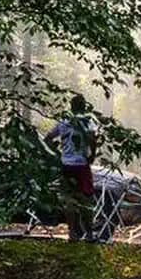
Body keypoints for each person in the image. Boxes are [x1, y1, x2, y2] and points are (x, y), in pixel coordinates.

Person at [44, 95, 99, 242]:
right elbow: (93, 139)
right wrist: (92, 155)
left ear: (71, 106)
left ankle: (72, 233)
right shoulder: (88, 120)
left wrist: (57, 153)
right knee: (86, 199)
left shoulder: (63, 121)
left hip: (66, 165)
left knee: (68, 199)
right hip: (81, 165)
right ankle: (89, 234)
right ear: (84, 106)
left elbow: (48, 138)